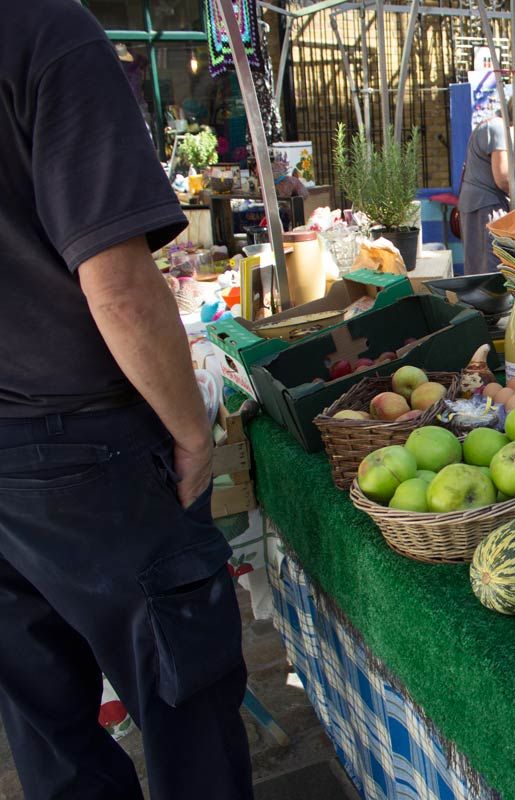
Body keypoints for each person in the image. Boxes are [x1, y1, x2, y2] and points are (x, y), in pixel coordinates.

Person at [0, 2, 252, 798]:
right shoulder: (43, 31)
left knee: (49, 729)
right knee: (189, 710)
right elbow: (116, 282)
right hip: (90, 451)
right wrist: (191, 431)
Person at [459, 83, 515, 275]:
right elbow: (504, 180)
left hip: (480, 205)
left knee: (481, 267)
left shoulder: (496, 126)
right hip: (486, 207)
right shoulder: (498, 128)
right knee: (493, 269)